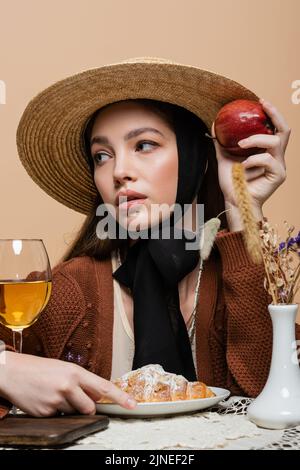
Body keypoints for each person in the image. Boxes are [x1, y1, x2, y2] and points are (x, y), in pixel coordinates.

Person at [0, 57, 299, 418]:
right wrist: (5, 368)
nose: (120, 172)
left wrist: (243, 211)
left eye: (143, 145)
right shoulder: (70, 288)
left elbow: (268, 391)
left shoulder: (237, 279)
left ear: (196, 159)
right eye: (102, 155)